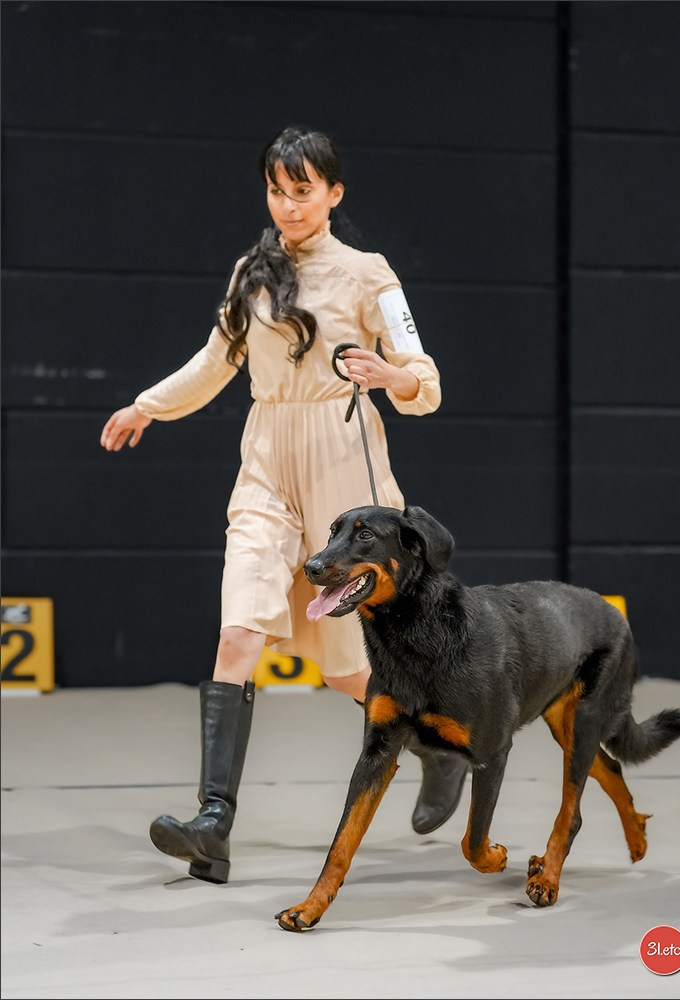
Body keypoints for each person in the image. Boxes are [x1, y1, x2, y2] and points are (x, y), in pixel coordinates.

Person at [100, 126, 467, 885]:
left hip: (345, 470)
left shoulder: (371, 275)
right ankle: (214, 823)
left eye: (304, 190)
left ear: (335, 193)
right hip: (267, 461)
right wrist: (147, 406)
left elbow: (424, 379)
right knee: (239, 628)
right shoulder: (251, 272)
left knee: (344, 670)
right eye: (277, 189)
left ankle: (443, 746)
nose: (288, 205)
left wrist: (390, 376)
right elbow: (215, 363)